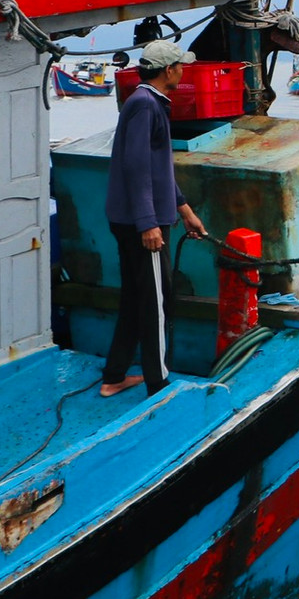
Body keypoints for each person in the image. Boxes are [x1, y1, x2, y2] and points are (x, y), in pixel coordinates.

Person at [102, 40, 206, 398]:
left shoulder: (147, 103)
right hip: (139, 223)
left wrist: (185, 211)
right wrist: (148, 222)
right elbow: (137, 168)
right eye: (180, 65)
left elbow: (158, 171)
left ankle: (114, 375)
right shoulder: (146, 105)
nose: (183, 70)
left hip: (133, 218)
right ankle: (158, 385)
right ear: (167, 71)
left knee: (136, 297)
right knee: (158, 303)